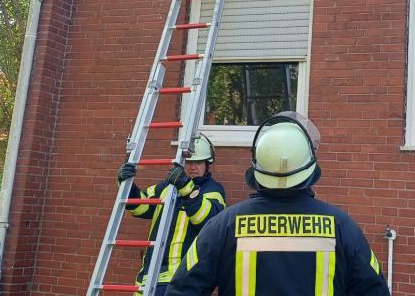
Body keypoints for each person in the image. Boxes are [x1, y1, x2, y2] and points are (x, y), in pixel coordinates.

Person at [165, 112, 391, 296]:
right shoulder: (341, 226)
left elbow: (182, 290)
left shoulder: (224, 225)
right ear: (310, 169)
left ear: (256, 166)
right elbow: (375, 290)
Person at [117, 134, 226, 295]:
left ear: (207, 164)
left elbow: (206, 221)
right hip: (149, 276)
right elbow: (141, 207)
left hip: (184, 279)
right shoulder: (168, 186)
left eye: (198, 162)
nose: (193, 167)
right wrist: (127, 185)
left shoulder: (213, 190)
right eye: (189, 162)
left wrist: (187, 189)